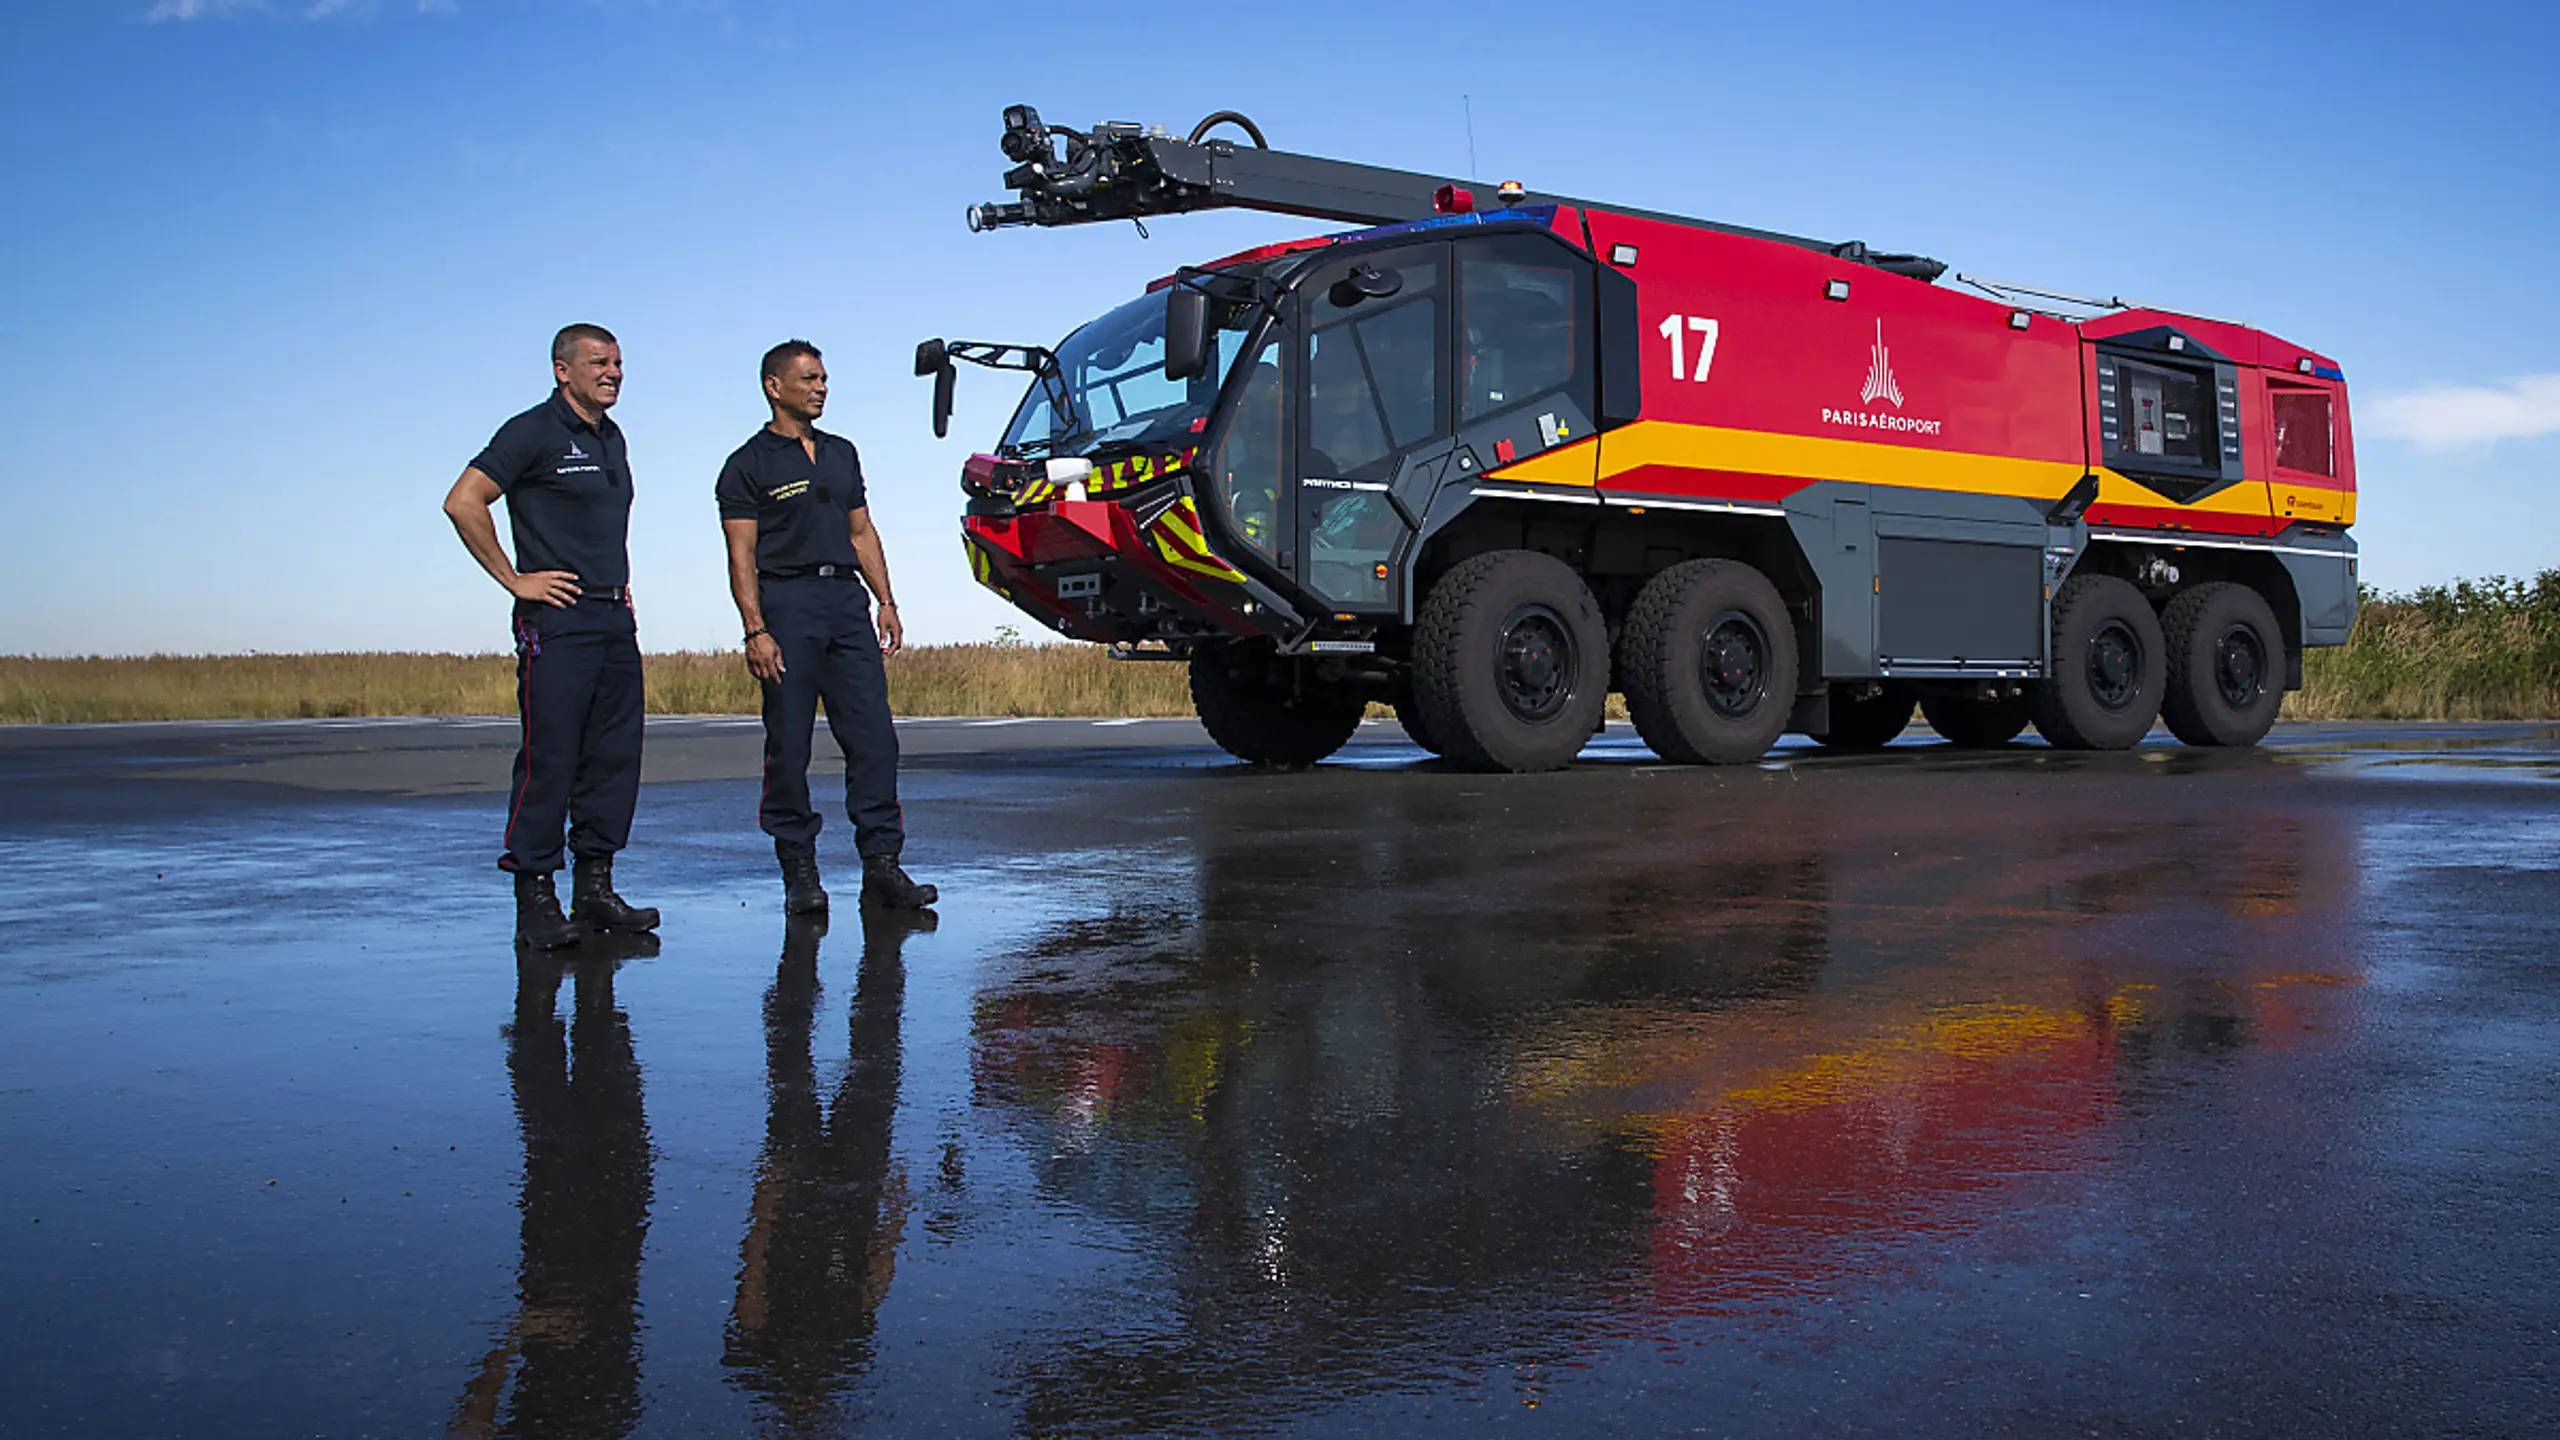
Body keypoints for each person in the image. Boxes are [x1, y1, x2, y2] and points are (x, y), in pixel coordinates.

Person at [442, 323, 661, 948]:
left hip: (612, 618)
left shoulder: (611, 437)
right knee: (551, 760)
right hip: (558, 622)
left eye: (618, 362)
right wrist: (515, 579)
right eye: (599, 362)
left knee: (613, 759)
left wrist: (617, 587)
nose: (613, 372)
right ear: (562, 370)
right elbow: (464, 501)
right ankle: (535, 900)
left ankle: (595, 889)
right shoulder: (533, 431)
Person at [717, 340, 937, 912]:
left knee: (874, 740)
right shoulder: (747, 464)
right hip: (786, 603)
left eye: (824, 380)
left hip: (846, 601)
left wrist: (885, 599)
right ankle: (799, 871)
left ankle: (882, 866)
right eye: (810, 379)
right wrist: (754, 628)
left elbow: (861, 531)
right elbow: (741, 554)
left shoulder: (842, 454)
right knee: (789, 743)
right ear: (775, 386)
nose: (821, 388)